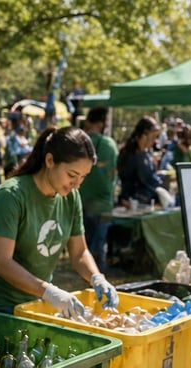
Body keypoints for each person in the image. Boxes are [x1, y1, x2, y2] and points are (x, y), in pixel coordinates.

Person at [0, 126, 119, 316]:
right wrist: (48, 291)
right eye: (72, 175)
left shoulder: (71, 197)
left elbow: (79, 252)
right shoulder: (11, 196)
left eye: (83, 177)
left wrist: (97, 278)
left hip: (34, 303)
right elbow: (1, 262)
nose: (77, 184)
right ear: (49, 160)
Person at [78, 106, 117, 271]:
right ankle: (99, 276)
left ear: (88, 121)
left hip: (81, 201)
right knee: (99, 244)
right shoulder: (109, 144)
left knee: (83, 244)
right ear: (103, 123)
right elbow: (113, 174)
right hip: (103, 203)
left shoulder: (78, 143)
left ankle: (86, 274)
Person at [116, 116, 163, 206]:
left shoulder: (148, 152)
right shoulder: (130, 154)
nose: (155, 140)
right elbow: (126, 181)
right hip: (134, 203)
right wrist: (125, 200)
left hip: (149, 202)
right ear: (144, 134)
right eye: (153, 136)